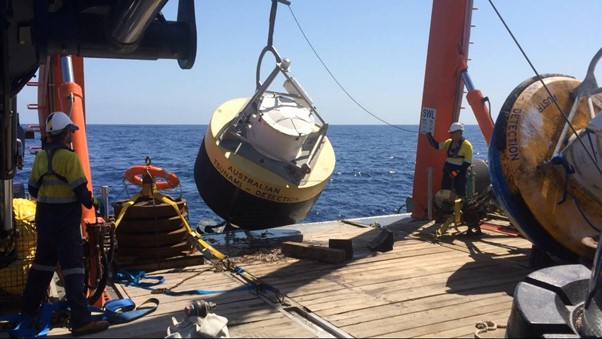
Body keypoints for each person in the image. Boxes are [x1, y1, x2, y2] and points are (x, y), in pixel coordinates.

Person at [21, 111, 109, 336]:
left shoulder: (41, 158)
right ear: (64, 133)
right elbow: (82, 194)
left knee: (41, 269)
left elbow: (32, 189)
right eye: (70, 131)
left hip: (44, 220)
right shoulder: (70, 159)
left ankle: (27, 314)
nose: (72, 135)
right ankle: (81, 322)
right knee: (73, 271)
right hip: (65, 223)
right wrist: (94, 201)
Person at [426, 122, 473, 198]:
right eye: (451, 133)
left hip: (459, 172)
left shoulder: (467, 145)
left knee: (460, 191)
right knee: (445, 190)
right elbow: (436, 146)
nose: (451, 135)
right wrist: (429, 136)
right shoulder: (449, 142)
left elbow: (467, 163)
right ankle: (446, 207)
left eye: (453, 133)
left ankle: (460, 206)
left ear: (459, 132)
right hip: (448, 171)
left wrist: (455, 173)